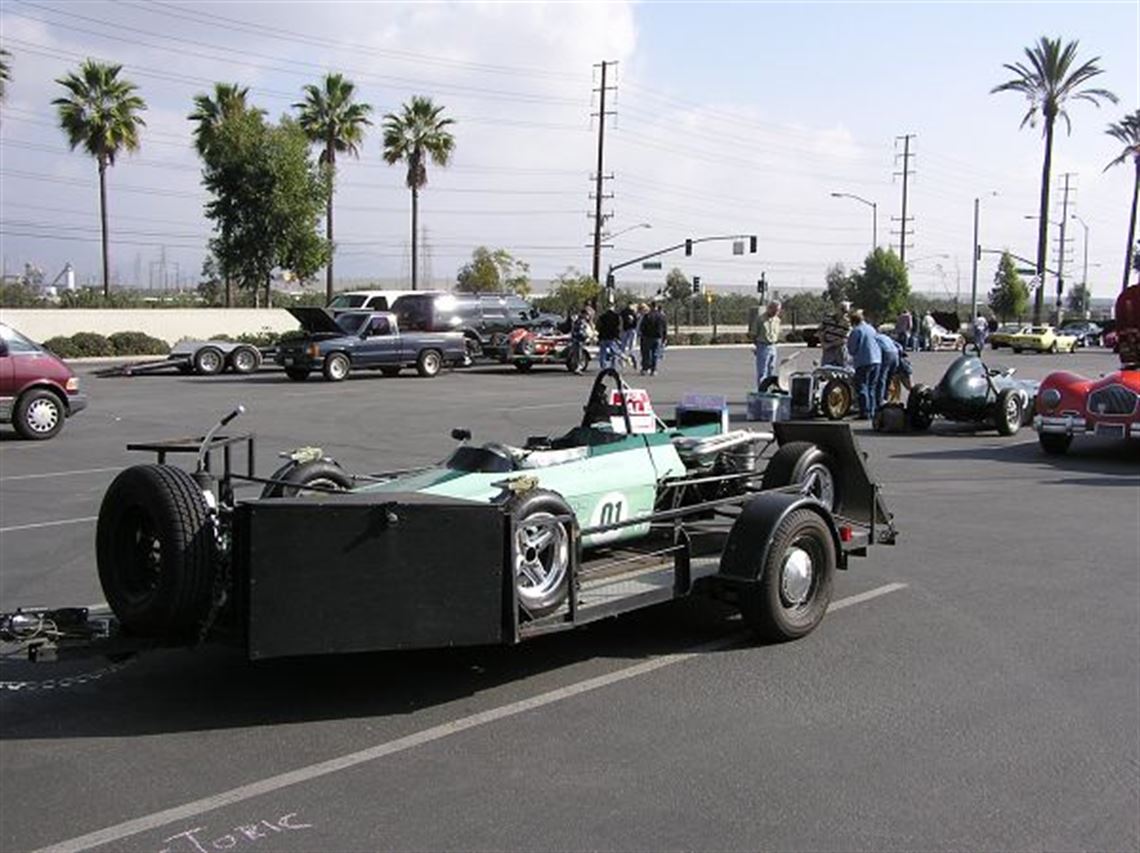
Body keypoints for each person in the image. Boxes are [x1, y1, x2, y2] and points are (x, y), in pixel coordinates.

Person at [846, 310, 881, 420]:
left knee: (862, 387)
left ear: (853, 321)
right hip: (876, 360)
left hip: (863, 361)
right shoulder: (871, 328)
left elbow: (851, 349)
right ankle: (872, 411)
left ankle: (864, 412)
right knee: (872, 387)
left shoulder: (856, 331)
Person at [749, 301, 782, 391]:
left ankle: (769, 389)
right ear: (769, 308)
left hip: (773, 346)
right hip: (763, 345)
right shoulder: (760, 319)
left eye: (778, 310)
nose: (776, 312)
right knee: (762, 371)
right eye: (775, 310)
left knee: (771, 369)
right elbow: (753, 334)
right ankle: (761, 390)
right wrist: (758, 347)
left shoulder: (777, 320)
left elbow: (777, 334)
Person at [639, 301, 667, 375]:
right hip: (658, 337)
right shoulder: (661, 316)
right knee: (655, 354)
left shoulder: (647, 316)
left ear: (651, 307)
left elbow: (642, 327)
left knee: (646, 354)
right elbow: (664, 328)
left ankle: (645, 369)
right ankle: (654, 370)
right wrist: (664, 337)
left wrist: (642, 334)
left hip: (647, 337)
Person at [873, 329, 900, 407]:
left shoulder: (874, 338)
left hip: (886, 354)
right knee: (889, 378)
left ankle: (880, 400)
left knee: (882, 378)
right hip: (895, 354)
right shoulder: (885, 337)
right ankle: (885, 398)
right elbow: (899, 346)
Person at [595, 303, 621, 370]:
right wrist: (617, 336)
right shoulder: (616, 317)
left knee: (603, 353)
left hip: (603, 337)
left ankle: (603, 367)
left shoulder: (602, 317)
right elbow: (618, 327)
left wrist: (599, 333)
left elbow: (597, 326)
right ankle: (613, 366)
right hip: (612, 337)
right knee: (614, 352)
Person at [569, 306, 592, 374]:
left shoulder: (578, 320)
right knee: (579, 355)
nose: (588, 316)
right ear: (583, 314)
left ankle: (576, 367)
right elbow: (580, 331)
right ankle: (577, 368)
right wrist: (586, 336)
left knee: (577, 354)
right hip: (579, 340)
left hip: (576, 340)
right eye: (587, 314)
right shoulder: (581, 321)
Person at [619, 302, 639, 369]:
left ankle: (623, 358)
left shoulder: (623, 312)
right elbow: (636, 321)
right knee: (631, 345)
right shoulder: (634, 312)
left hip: (625, 329)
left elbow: (620, 320)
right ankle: (630, 355)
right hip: (631, 329)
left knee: (623, 345)